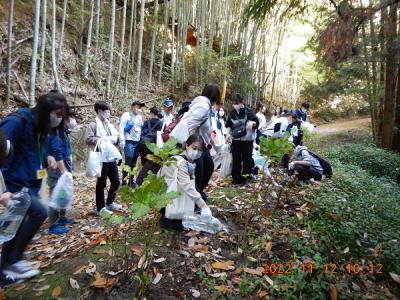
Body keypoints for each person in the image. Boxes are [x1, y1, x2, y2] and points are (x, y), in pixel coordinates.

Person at [0, 91, 65, 282]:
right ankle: (12, 261)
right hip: (14, 184)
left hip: (31, 182)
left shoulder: (40, 127)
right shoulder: (17, 121)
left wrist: (47, 158)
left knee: (16, 223)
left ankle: (8, 266)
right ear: (46, 111)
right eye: (57, 114)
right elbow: (2, 148)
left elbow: (29, 152)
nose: (58, 119)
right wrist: (3, 190)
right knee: (39, 212)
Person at [158, 134, 212, 231]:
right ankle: (167, 219)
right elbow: (186, 185)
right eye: (194, 148)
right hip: (164, 196)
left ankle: (173, 217)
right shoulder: (181, 162)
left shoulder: (188, 161)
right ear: (187, 145)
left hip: (168, 193)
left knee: (199, 196)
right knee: (199, 198)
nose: (196, 152)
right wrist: (203, 205)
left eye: (200, 150)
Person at [86, 101, 122, 215]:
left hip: (111, 156)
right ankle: (100, 208)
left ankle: (110, 202)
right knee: (101, 183)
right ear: (100, 111)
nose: (108, 113)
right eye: (106, 111)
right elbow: (88, 139)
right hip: (101, 157)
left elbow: (114, 136)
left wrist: (116, 139)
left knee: (116, 181)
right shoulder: (93, 124)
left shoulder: (108, 123)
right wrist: (101, 140)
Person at [188, 83, 222, 202]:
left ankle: (198, 193)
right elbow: (191, 125)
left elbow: (205, 129)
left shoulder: (206, 106)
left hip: (203, 145)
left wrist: (213, 143)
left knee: (209, 167)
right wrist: (192, 148)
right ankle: (193, 201)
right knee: (198, 173)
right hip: (196, 145)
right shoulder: (203, 105)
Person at [47, 107, 76, 235]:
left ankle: (62, 216)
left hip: (65, 162)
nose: (70, 121)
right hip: (56, 165)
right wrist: (63, 170)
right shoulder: (53, 131)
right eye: (68, 119)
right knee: (55, 191)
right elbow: (56, 151)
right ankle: (53, 223)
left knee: (64, 191)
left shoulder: (63, 131)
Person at [225, 93, 259, 185]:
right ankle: (236, 179)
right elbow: (228, 124)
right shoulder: (232, 113)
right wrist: (227, 134)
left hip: (247, 141)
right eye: (234, 103)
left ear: (241, 102)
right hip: (236, 141)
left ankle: (246, 178)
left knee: (247, 160)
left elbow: (256, 123)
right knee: (236, 160)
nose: (236, 105)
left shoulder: (249, 112)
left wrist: (252, 125)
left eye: (237, 103)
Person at [136, 107, 164, 186]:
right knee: (151, 165)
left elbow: (141, 133)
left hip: (143, 146)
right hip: (153, 147)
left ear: (152, 113)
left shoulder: (146, 122)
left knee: (144, 164)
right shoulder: (161, 124)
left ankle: (141, 182)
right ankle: (148, 182)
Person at [119, 100, 144, 187]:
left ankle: (131, 181)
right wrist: (122, 140)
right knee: (128, 160)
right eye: (138, 107)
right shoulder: (127, 115)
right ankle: (124, 180)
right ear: (132, 107)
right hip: (129, 141)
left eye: (140, 108)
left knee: (134, 161)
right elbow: (121, 127)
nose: (139, 109)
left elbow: (141, 128)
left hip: (137, 142)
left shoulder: (140, 117)